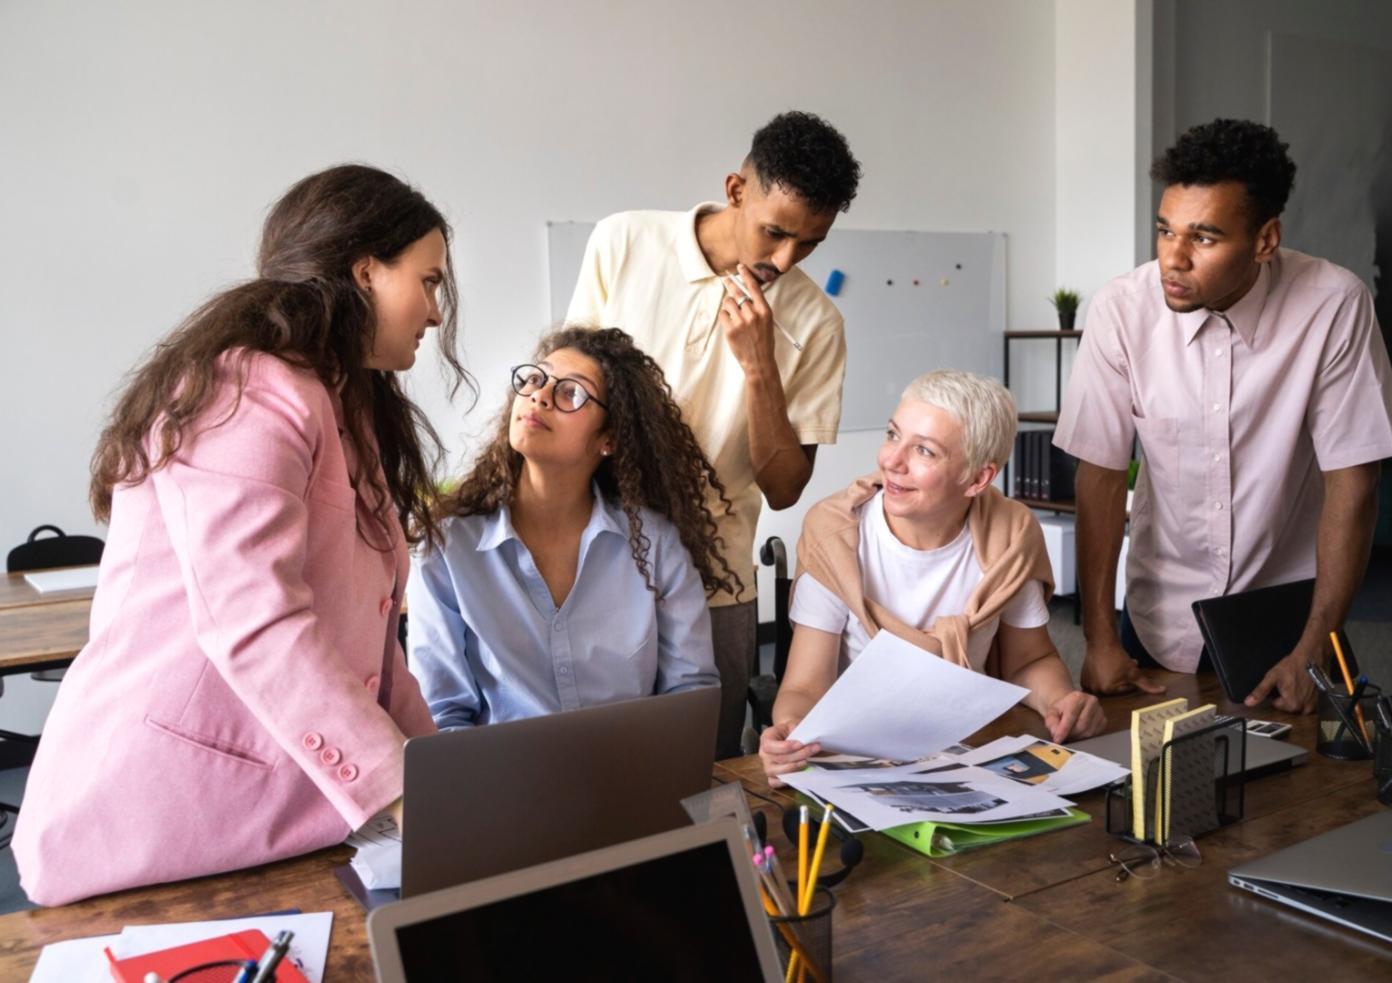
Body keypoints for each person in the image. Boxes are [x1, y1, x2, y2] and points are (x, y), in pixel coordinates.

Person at [13, 165, 467, 906]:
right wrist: (407, 794)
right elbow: (257, 623)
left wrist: (447, 781)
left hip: (269, 819)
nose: (435, 311)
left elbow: (370, 651)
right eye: (430, 281)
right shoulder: (249, 388)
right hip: (153, 817)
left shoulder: (339, 399)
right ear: (364, 272)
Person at [1055, 118, 1392, 712]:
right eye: (1165, 230)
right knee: (1146, 790)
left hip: (1288, 621)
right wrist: (1096, 636)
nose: (1173, 257)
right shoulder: (1121, 309)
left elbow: (1355, 482)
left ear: (1266, 240)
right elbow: (1099, 475)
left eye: (1204, 237)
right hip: (1155, 617)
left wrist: (1314, 646)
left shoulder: (1334, 304)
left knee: (1311, 797)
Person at [566, 110, 862, 758]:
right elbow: (573, 396)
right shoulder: (624, 242)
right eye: (775, 232)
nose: (786, 259)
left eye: (810, 243)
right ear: (736, 190)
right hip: (595, 561)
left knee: (708, 774)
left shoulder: (817, 323)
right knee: (589, 768)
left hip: (718, 585)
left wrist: (759, 367)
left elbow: (785, 489)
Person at [760, 371, 1106, 787]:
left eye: (924, 450)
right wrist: (791, 732)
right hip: (859, 754)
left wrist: (1061, 701)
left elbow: (1029, 661)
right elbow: (804, 685)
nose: (891, 460)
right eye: (893, 434)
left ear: (978, 478)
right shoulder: (837, 536)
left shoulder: (1010, 538)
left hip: (969, 748)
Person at [407, 327, 736, 729]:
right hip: (502, 783)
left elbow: (692, 691)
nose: (539, 396)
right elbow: (442, 715)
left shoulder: (656, 544)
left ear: (609, 438)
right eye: (534, 379)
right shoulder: (446, 547)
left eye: (570, 393)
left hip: (630, 775)